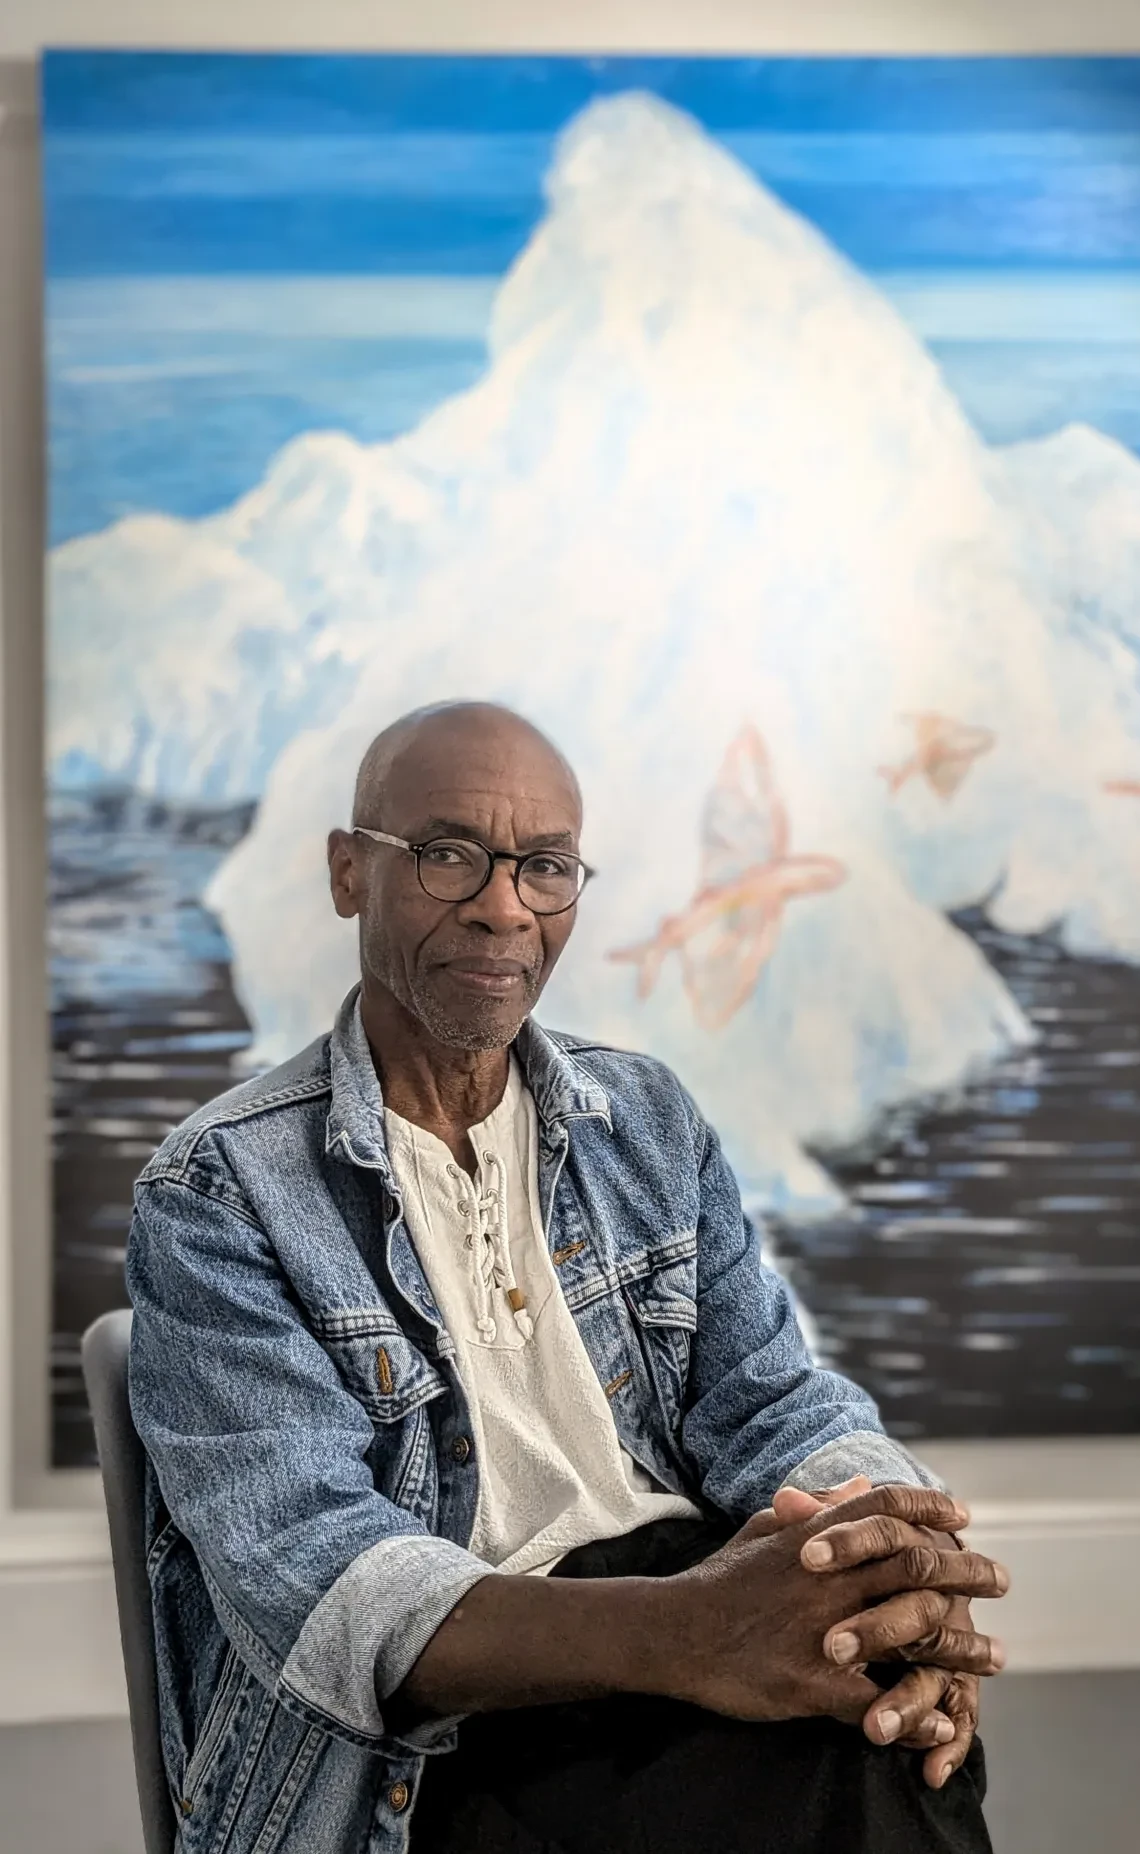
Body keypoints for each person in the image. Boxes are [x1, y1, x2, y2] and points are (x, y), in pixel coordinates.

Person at [127, 702, 1009, 1854]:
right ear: (350, 873)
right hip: (450, 1726)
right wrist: (692, 1635)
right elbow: (329, 1594)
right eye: (449, 855)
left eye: (545, 868)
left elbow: (768, 1399)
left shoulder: (645, 1120)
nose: (505, 907)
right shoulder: (219, 1191)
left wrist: (887, 1560)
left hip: (685, 1607)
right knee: (823, 1762)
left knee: (879, 1712)